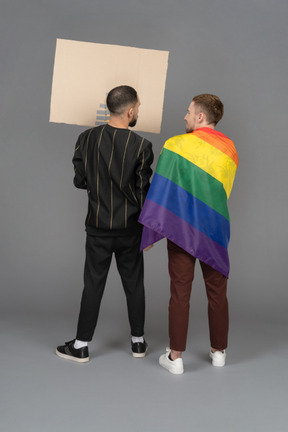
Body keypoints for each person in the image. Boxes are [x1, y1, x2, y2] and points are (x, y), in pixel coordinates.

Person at [139, 94, 238, 374]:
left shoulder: (176, 145)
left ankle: (176, 358)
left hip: (181, 228)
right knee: (218, 292)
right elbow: (222, 191)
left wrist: (149, 232)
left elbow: (161, 190)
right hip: (214, 229)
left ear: (200, 117)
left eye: (188, 111)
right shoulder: (229, 148)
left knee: (180, 292)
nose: (184, 116)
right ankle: (219, 353)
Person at [56, 85, 154, 362]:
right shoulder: (142, 146)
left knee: (93, 285)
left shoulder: (86, 138)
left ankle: (81, 345)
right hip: (131, 228)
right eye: (139, 108)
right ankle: (138, 343)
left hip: (98, 226)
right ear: (131, 111)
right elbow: (144, 193)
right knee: (134, 284)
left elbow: (80, 180)